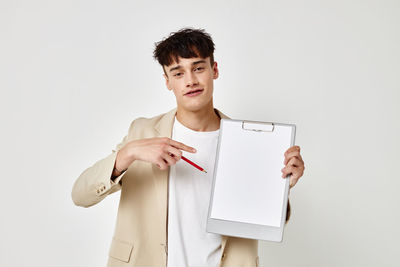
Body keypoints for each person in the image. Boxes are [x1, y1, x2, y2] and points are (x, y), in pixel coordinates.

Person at [71, 27, 305, 267]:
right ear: (167, 81)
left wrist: (281, 188)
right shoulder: (142, 133)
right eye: (178, 73)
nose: (190, 81)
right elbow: (80, 195)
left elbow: (266, 224)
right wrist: (128, 153)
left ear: (214, 70)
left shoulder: (250, 143)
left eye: (198, 68)